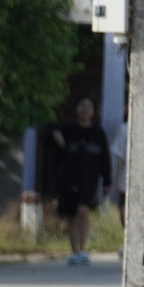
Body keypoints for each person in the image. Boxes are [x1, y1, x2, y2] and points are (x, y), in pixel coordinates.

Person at [50, 98, 110, 266]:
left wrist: (107, 180)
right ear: (77, 109)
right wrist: (58, 137)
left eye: (89, 107)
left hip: (89, 179)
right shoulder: (69, 129)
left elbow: (105, 158)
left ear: (93, 112)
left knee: (83, 211)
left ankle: (83, 250)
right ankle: (74, 251)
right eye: (82, 106)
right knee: (71, 215)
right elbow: (51, 132)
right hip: (69, 178)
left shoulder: (98, 133)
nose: (85, 110)